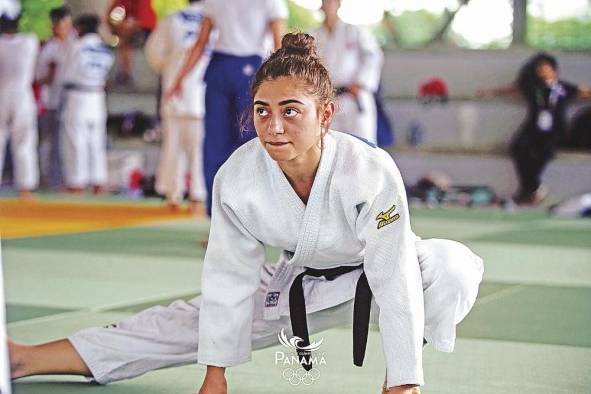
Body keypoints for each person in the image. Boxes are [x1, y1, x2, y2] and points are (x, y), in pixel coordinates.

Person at [9, 33, 484, 394]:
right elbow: (228, 277)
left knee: (451, 264)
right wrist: (215, 374)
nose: (273, 126)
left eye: (291, 111)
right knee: (179, 324)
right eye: (262, 110)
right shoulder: (237, 177)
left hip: (375, 274)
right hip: (299, 279)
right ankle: (25, 358)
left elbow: (395, 271)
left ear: (325, 114)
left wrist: (403, 380)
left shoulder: (370, 170)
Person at [166, 0, 288, 215]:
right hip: (245, 71)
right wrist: (283, 83)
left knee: (222, 146)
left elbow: (200, 42)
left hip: (222, 70)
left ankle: (224, 220)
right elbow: (280, 45)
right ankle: (238, 218)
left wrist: (179, 79)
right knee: (246, 144)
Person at [479, 52, 591, 205]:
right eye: (540, 69)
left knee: (543, 153)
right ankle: (534, 187)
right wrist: (489, 92)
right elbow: (511, 89)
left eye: (547, 68)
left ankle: (527, 191)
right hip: (533, 127)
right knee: (518, 147)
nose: (544, 71)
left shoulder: (563, 88)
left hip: (555, 130)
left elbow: (583, 91)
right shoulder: (532, 87)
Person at [144, 0, 208, 212]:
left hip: (175, 90)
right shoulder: (215, 19)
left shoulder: (172, 19)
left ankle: (173, 195)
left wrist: (170, 65)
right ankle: (198, 196)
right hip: (204, 92)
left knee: (173, 146)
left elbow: (153, 54)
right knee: (201, 149)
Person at [311, 0, 383, 144]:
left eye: (332, 1)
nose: (329, 5)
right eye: (326, 2)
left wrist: (361, 83)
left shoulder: (354, 31)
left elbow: (373, 56)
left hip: (354, 96)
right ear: (321, 6)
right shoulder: (313, 35)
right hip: (327, 97)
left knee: (363, 146)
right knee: (329, 146)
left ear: (339, 4)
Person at [59, 14, 114, 194]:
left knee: (76, 139)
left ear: (80, 28)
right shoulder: (105, 48)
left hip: (78, 95)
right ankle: (98, 180)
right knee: (96, 140)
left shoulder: (77, 46)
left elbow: (65, 73)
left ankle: (76, 182)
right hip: (97, 96)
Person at [0, 12, 39, 199]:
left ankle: (24, 186)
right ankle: (25, 187)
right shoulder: (29, 42)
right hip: (22, 94)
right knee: (24, 141)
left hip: (2, 92)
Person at [35, 5, 73, 189]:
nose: (65, 28)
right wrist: (50, 74)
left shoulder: (74, 43)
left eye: (67, 24)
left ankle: (64, 180)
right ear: (54, 25)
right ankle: (47, 180)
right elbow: (38, 78)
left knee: (66, 144)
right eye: (61, 24)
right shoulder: (48, 48)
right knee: (48, 143)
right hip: (50, 102)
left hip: (69, 101)